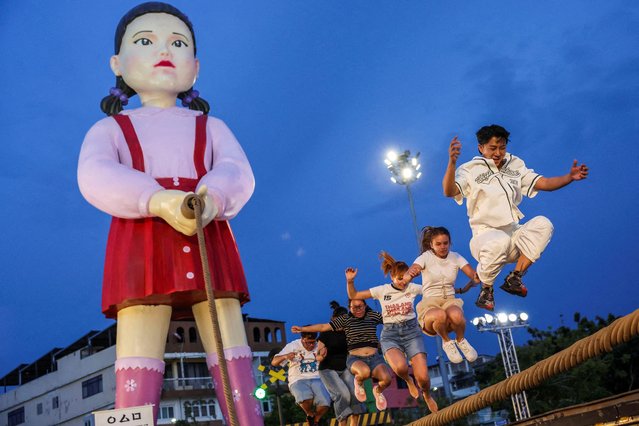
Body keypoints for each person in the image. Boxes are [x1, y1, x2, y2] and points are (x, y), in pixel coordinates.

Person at [77, 3, 260, 424]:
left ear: (195, 67)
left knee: (228, 337)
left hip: (207, 232)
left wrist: (212, 198)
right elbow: (95, 174)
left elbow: (237, 171)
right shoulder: (108, 129)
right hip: (140, 241)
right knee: (139, 342)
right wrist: (156, 200)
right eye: (146, 41)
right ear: (117, 64)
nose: (164, 50)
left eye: (178, 43)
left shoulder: (212, 126)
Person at [442, 124, 589, 311]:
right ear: (481, 148)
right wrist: (452, 163)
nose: (498, 153)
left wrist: (568, 177)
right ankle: (486, 290)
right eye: (492, 148)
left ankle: (515, 277)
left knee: (543, 224)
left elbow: (543, 182)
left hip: (513, 233)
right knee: (499, 242)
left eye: (502, 148)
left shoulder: (515, 164)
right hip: (485, 237)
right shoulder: (470, 169)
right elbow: (449, 191)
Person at [347, 254, 439, 413]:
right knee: (400, 368)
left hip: (412, 332)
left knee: (423, 377)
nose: (403, 282)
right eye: (399, 278)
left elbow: (434, 290)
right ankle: (408, 380)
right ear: (392, 276)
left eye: (406, 278)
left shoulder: (413, 288)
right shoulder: (382, 290)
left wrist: (459, 287)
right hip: (391, 335)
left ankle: (427, 394)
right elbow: (354, 295)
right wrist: (350, 281)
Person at [291, 298, 393, 413]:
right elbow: (322, 328)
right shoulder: (340, 324)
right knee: (352, 384)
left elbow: (386, 322)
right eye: (354, 307)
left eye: (360, 307)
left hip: (363, 361)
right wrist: (302, 329)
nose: (357, 310)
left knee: (384, 380)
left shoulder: (367, 318)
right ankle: (355, 390)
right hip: (343, 363)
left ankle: (375, 393)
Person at [401, 226, 480, 364]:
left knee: (456, 314)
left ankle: (461, 340)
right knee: (440, 315)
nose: (443, 247)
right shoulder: (425, 257)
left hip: (449, 300)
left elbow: (474, 276)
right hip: (431, 304)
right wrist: (409, 275)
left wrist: (484, 272)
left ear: (450, 243)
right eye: (438, 244)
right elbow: (413, 269)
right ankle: (447, 342)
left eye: (445, 243)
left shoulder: (456, 257)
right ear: (431, 245)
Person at [316, 301, 366, 426]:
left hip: (345, 367)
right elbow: (317, 355)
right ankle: (342, 423)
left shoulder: (349, 332)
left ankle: (354, 423)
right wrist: (321, 356)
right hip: (327, 369)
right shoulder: (326, 333)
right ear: (333, 319)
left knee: (355, 392)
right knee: (342, 394)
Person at [271, 332, 332, 426]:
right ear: (302, 339)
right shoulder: (293, 345)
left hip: (317, 377)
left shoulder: (320, 345)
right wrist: (285, 356)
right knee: (304, 397)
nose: (311, 345)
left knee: (325, 402)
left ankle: (315, 420)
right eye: (308, 342)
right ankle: (309, 413)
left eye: (313, 342)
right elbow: (274, 362)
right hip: (298, 378)